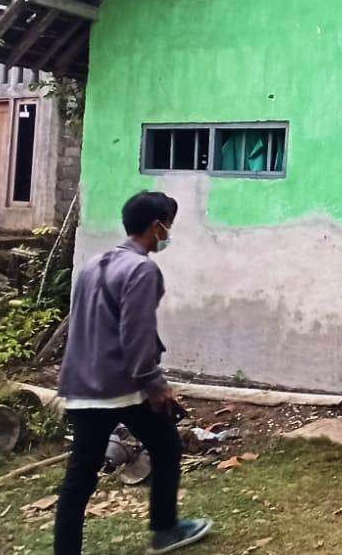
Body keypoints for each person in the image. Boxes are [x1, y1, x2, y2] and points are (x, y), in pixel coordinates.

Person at [54, 191, 212, 554]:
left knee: (80, 476)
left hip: (81, 385)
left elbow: (85, 326)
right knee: (167, 445)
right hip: (120, 387)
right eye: (168, 225)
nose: (169, 233)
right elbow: (136, 337)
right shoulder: (142, 270)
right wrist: (155, 385)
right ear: (156, 226)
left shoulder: (95, 264)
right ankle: (165, 530)